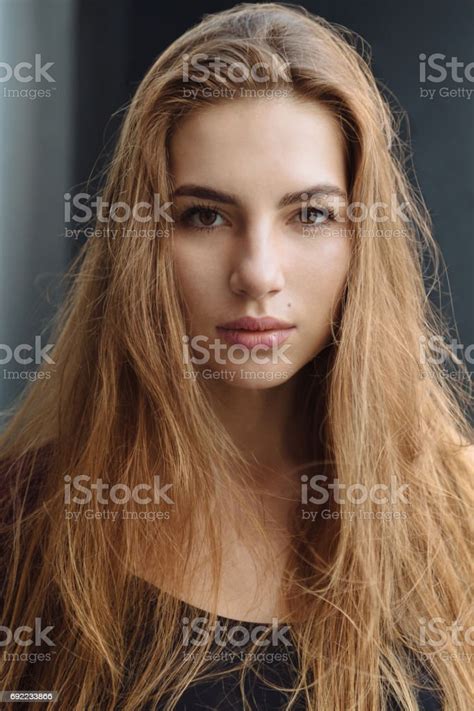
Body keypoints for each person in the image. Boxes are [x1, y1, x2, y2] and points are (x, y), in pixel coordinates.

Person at [1, 4, 472, 709]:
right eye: (204, 215)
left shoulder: (457, 512)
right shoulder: (24, 524)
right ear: (144, 243)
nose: (257, 272)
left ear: (360, 237)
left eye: (309, 214)